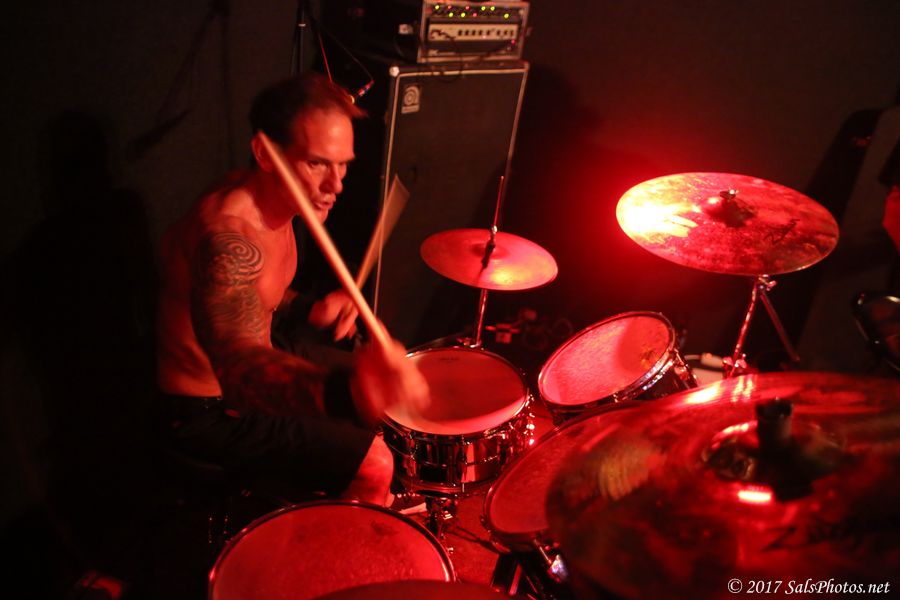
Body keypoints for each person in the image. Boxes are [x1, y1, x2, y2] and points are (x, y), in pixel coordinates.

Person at [156, 72, 428, 506]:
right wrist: (350, 393)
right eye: (317, 163)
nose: (336, 185)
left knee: (387, 398)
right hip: (209, 409)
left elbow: (249, 293)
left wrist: (305, 307)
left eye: (343, 164)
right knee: (376, 464)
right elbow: (237, 369)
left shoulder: (269, 195)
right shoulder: (228, 238)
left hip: (265, 351)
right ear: (266, 154)